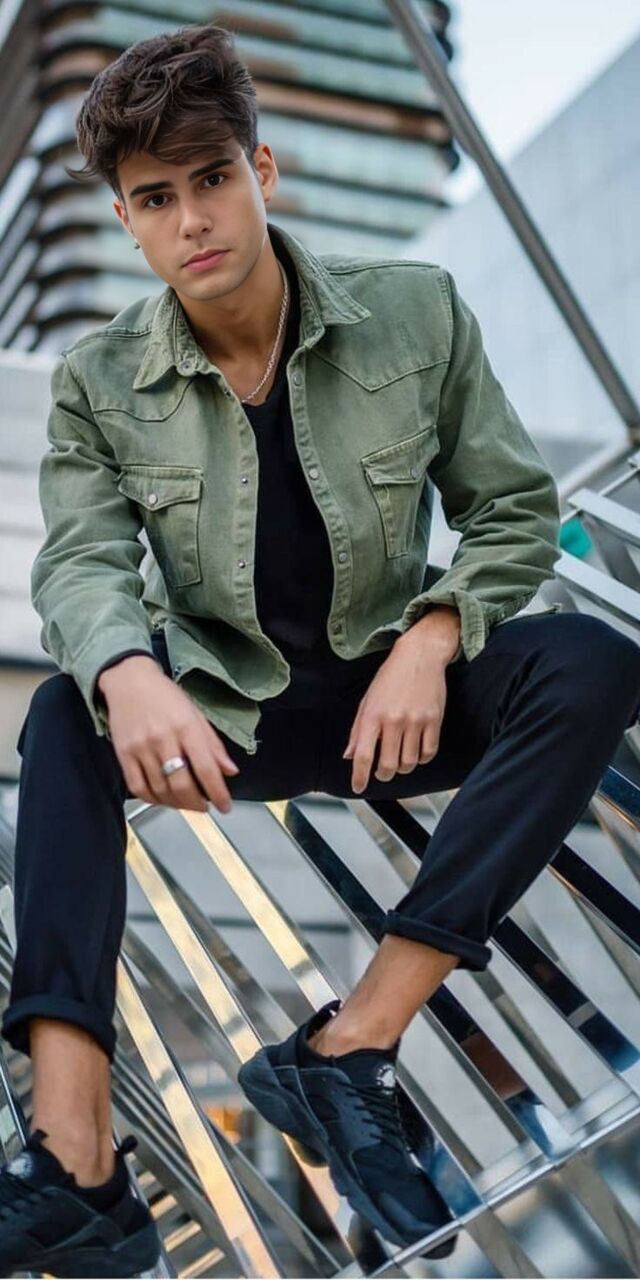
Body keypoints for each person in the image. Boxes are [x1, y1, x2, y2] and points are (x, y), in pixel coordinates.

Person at [2, 20, 640, 1278]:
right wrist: (129, 670)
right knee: (62, 718)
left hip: (396, 703)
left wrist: (436, 633)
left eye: (212, 178)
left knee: (588, 660)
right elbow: (78, 562)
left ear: (263, 168)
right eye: (156, 199)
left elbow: (512, 509)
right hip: (227, 717)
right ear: (127, 221)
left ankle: (350, 1044)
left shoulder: (414, 313)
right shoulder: (98, 380)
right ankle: (77, 1165)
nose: (192, 219)